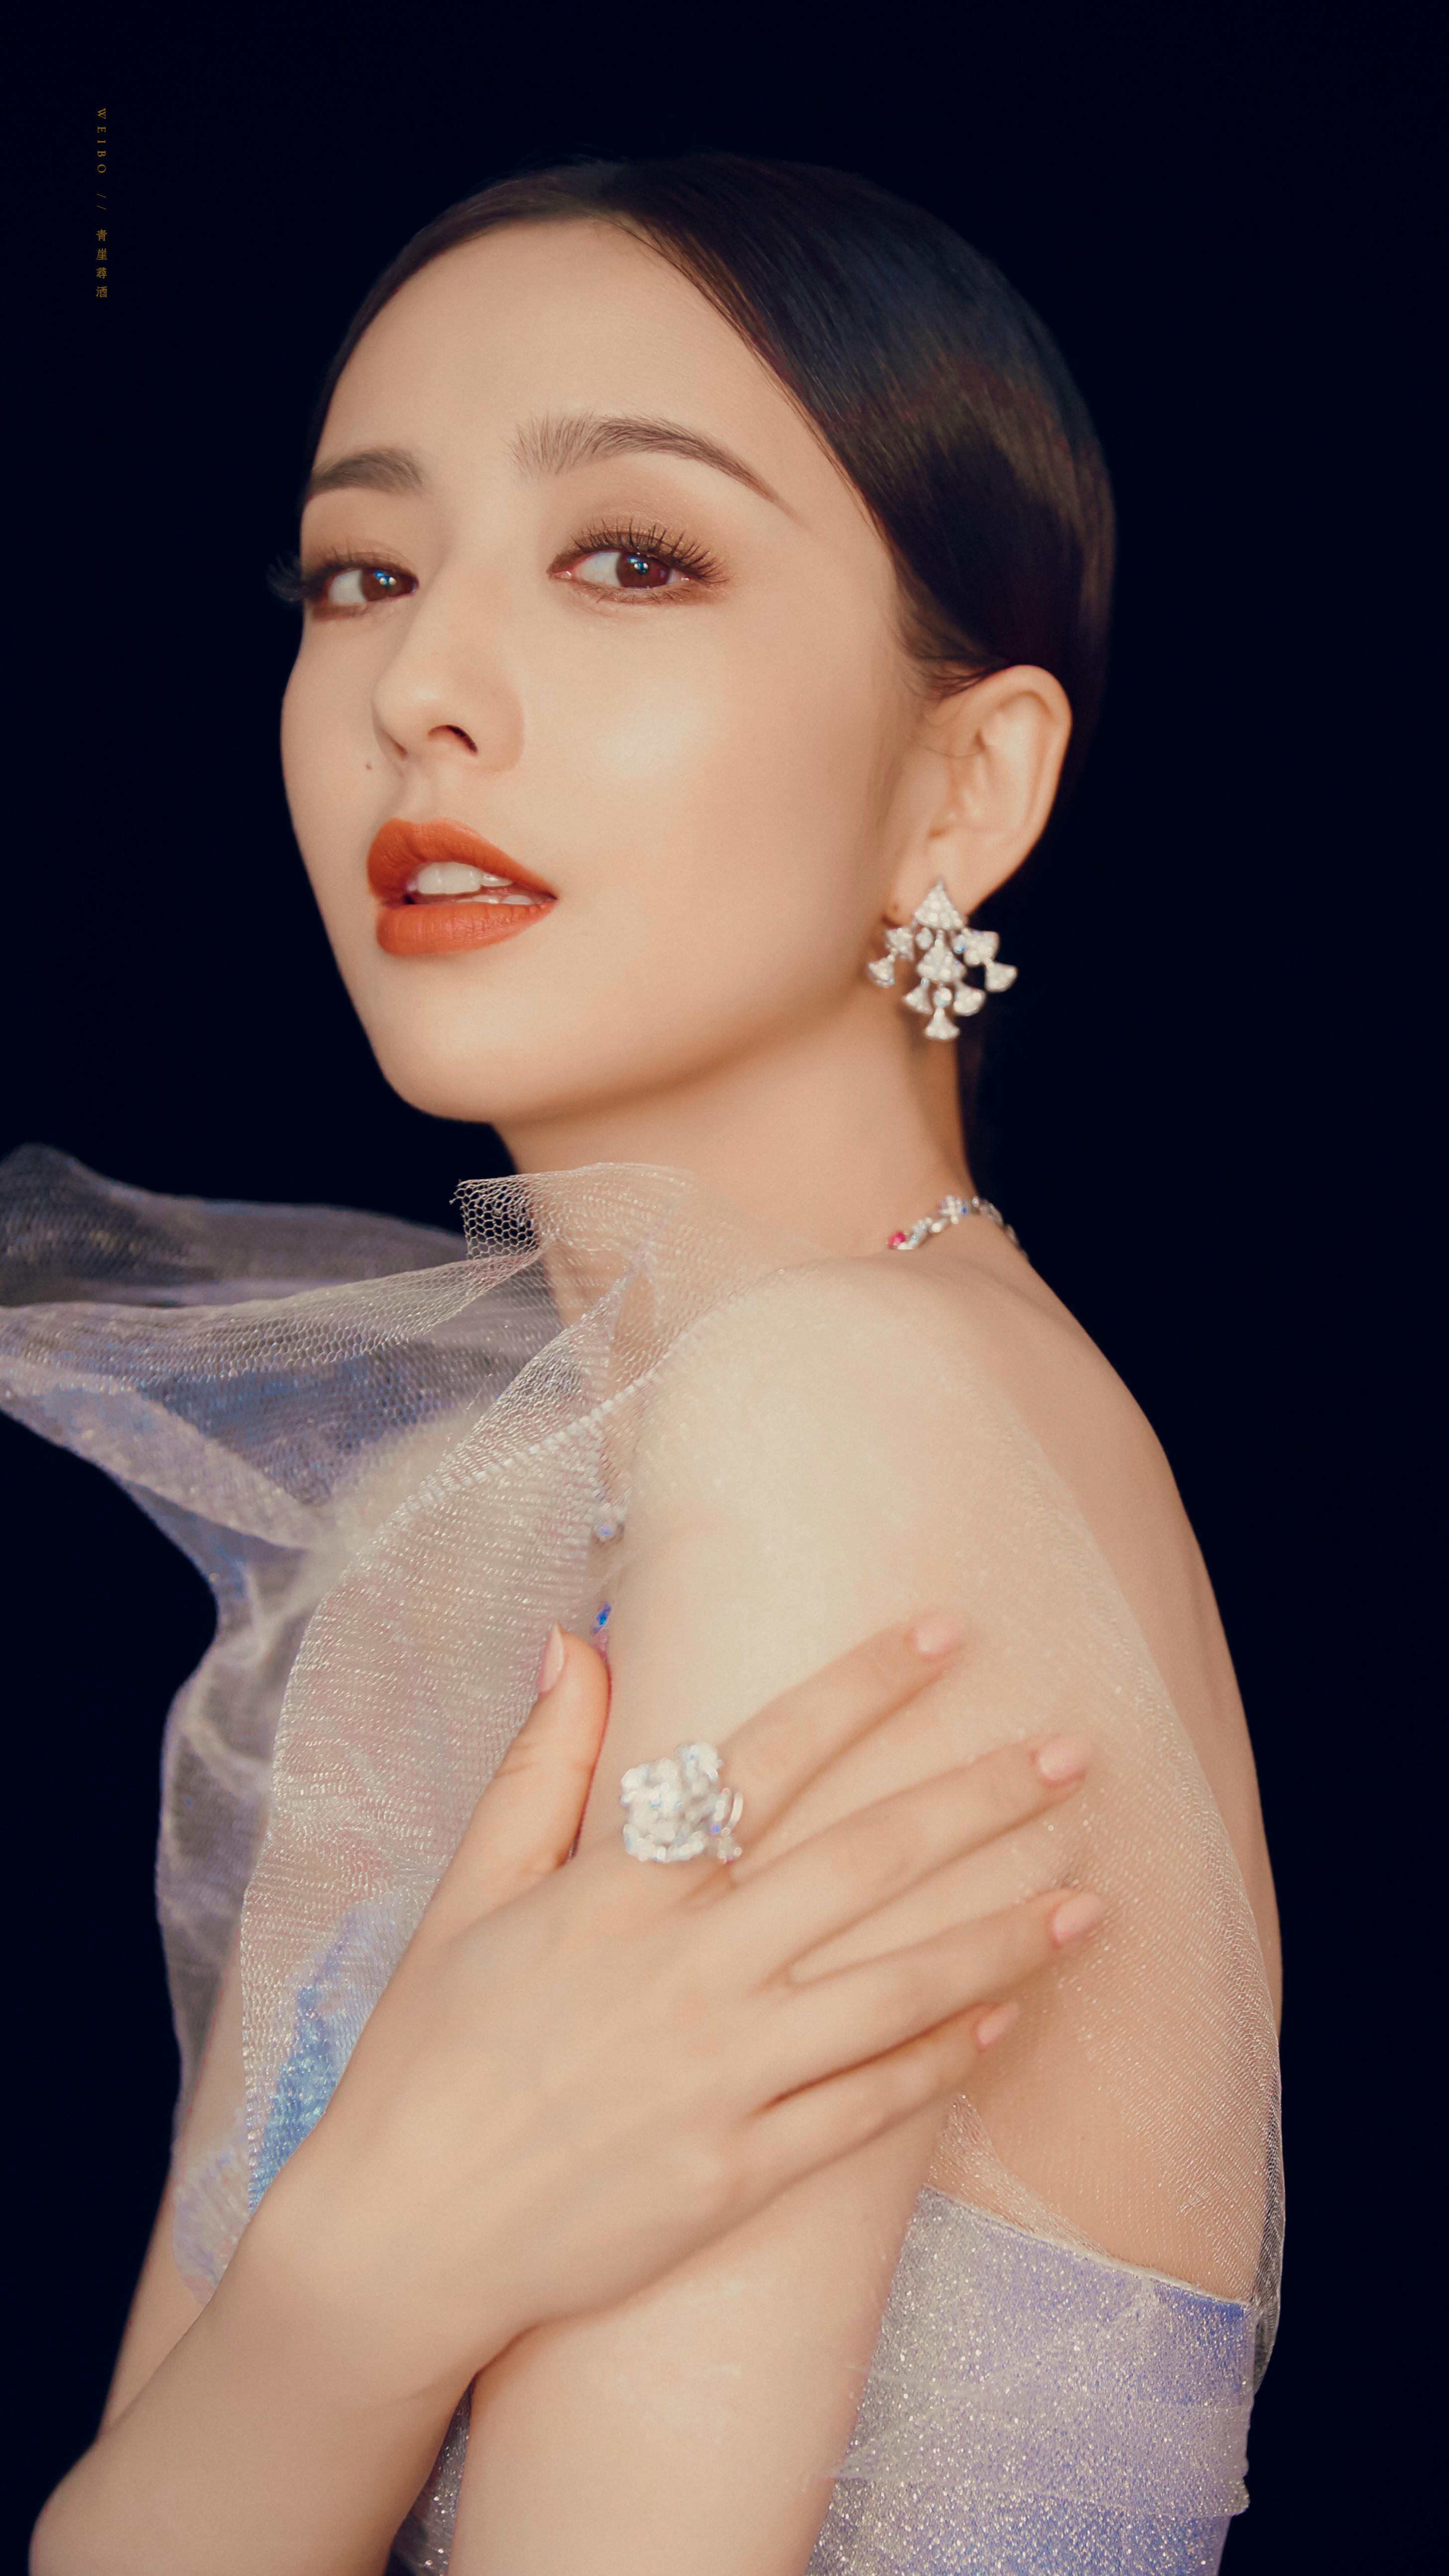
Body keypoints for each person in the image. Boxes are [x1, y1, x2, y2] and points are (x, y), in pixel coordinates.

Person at [2, 153, 1281, 2575]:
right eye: (360, 574)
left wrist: (351, 2293)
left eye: (628, 558)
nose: (418, 689)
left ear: (964, 783)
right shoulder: (430, 1535)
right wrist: (368, 2265)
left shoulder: (849, 1411)